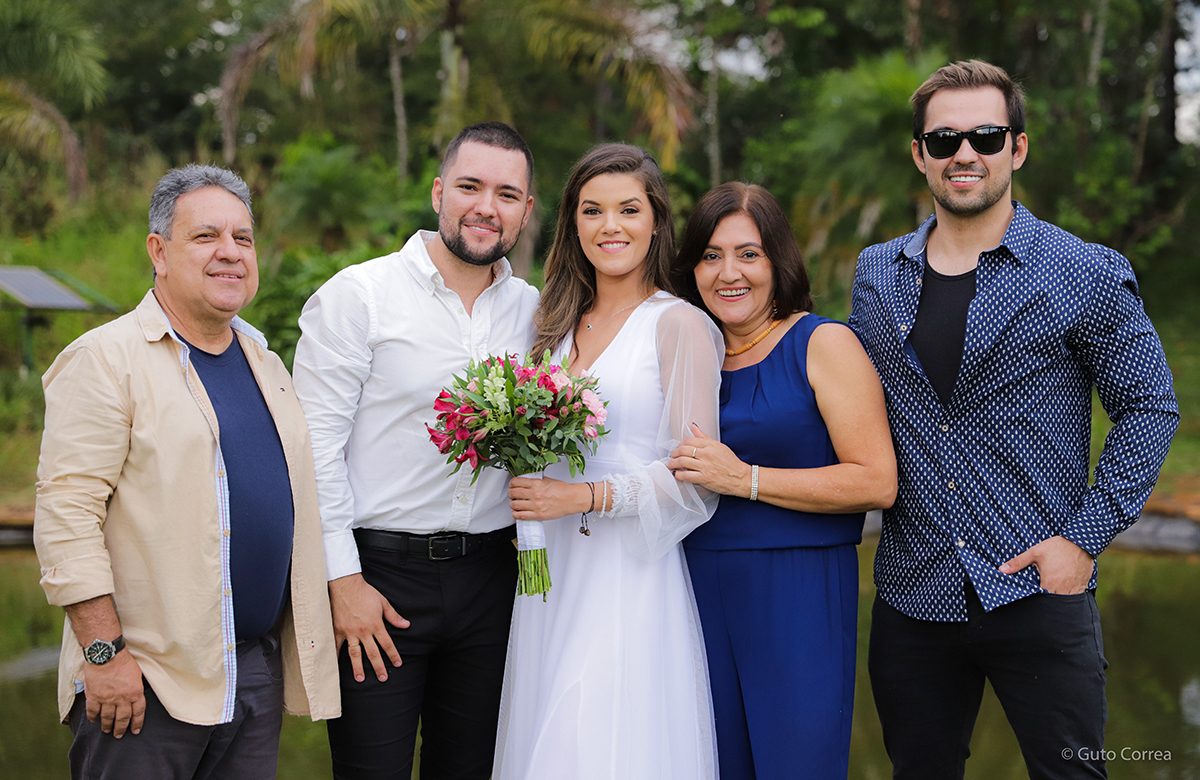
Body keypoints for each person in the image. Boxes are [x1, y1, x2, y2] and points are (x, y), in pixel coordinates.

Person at [848, 60, 1179, 779]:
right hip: (912, 593)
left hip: (1038, 590)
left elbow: (1150, 406)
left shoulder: (1083, 270)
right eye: (945, 140)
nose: (965, 153)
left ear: (1017, 148)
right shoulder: (876, 274)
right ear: (920, 154)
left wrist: (1082, 542)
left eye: (987, 136)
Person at [33, 164, 340, 780]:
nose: (230, 252)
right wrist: (104, 655)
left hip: (252, 671)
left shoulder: (264, 362)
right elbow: (67, 518)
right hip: (145, 679)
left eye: (243, 238)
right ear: (159, 251)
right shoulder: (106, 359)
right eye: (206, 236)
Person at [292, 121, 540, 780]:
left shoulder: (537, 312)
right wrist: (342, 582)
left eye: (506, 194)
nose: (486, 207)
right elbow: (313, 451)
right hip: (379, 579)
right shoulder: (358, 296)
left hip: (494, 581)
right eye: (469, 186)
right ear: (437, 192)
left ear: (525, 211)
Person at [493, 143, 724, 780]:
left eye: (628, 209)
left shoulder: (678, 325)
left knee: (594, 745)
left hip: (627, 572)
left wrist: (586, 497)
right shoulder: (552, 324)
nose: (609, 226)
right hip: (549, 569)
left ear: (655, 221)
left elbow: (698, 480)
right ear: (572, 223)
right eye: (592, 210)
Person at [667, 181, 897, 779]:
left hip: (797, 590)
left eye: (749, 254)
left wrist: (745, 479)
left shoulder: (822, 343)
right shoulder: (686, 354)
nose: (728, 273)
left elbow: (877, 481)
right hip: (690, 586)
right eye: (711, 255)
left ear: (778, 261)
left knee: (797, 763)